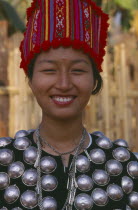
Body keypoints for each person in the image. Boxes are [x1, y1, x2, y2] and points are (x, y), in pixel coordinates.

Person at [0, 0, 138, 209]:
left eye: (78, 70)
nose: (64, 84)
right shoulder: (4, 165)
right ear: (31, 80)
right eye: (49, 70)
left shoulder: (126, 169)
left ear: (94, 80)